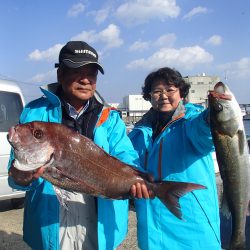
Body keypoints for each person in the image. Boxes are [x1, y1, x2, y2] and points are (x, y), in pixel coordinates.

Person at [8, 41, 148, 250]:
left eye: (91, 73)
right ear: (60, 74)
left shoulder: (109, 117)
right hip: (51, 217)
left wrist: (139, 179)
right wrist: (20, 176)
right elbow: (16, 171)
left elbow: (125, 154)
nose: (85, 79)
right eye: (77, 71)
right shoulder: (34, 112)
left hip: (99, 215)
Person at [128, 67, 221, 250]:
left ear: (181, 93)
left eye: (170, 89)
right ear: (149, 96)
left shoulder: (192, 121)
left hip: (192, 229)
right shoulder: (138, 133)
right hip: (151, 230)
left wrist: (214, 116)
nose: (163, 95)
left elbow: (205, 135)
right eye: (156, 91)